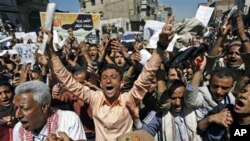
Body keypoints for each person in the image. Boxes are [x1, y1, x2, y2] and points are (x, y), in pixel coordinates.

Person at [45, 25, 170, 141]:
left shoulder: (129, 99)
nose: (108, 80)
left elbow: (146, 75)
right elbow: (68, 81)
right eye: (105, 78)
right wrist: (51, 50)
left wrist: (161, 46)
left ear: (121, 84)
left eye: (113, 77)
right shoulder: (95, 98)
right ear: (101, 84)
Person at [12, 80, 86, 141]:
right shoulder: (18, 129)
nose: (17, 115)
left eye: (25, 108)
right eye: (16, 108)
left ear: (44, 107)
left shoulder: (69, 120)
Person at [133, 79, 203, 141]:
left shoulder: (192, 108)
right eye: (173, 98)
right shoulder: (159, 114)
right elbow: (143, 134)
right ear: (167, 97)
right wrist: (136, 119)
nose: (178, 103)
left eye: (180, 98)